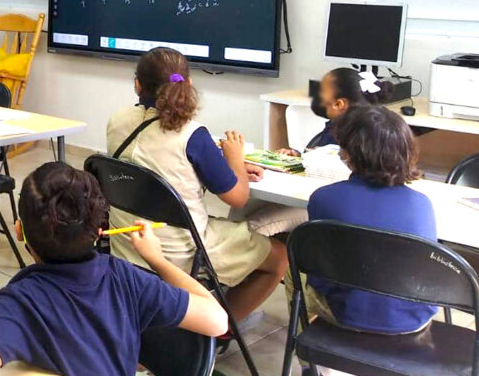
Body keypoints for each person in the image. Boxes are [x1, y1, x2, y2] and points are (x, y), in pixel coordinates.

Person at [0, 162, 228, 376]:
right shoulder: (125, 277)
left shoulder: (23, 299)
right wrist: (158, 260)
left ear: (20, 231)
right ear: (99, 232)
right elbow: (217, 321)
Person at [106, 47, 287, 323]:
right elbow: (238, 198)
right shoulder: (192, 135)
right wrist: (235, 160)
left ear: (137, 85)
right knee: (279, 257)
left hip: (127, 242)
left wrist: (224, 165)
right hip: (182, 252)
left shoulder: (117, 120)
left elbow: (161, 165)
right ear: (188, 84)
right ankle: (221, 327)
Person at [298, 104, 435, 334]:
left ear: (347, 153)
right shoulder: (422, 205)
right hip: (414, 320)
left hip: (346, 314)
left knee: (292, 269)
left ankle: (310, 351)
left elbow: (319, 266)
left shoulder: (324, 198)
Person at [280, 68, 393, 156]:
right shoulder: (337, 126)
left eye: (322, 92)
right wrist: (299, 157)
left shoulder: (351, 137)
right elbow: (320, 156)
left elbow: (329, 164)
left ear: (339, 104)